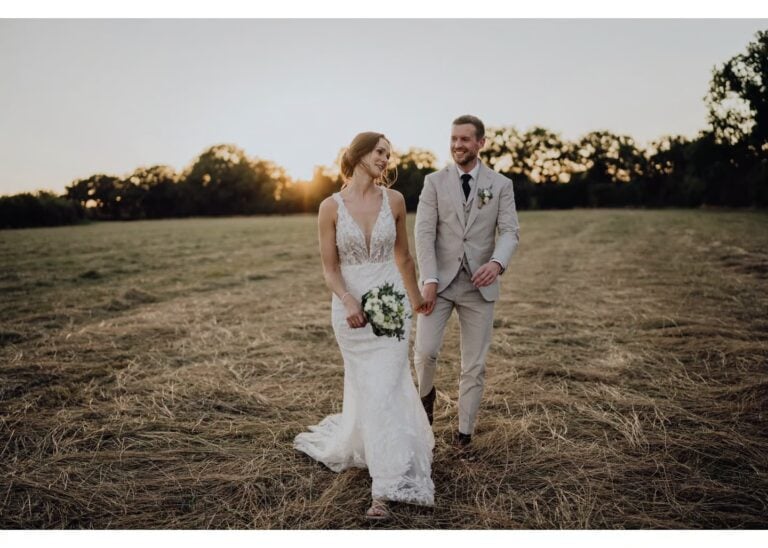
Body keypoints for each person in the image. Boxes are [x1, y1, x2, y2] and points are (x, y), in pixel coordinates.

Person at [294, 132, 435, 520]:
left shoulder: (396, 200)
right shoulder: (329, 207)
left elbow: (404, 258)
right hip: (350, 310)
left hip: (392, 306)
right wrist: (347, 299)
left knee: (387, 385)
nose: (385, 159)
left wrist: (416, 299)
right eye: (379, 151)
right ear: (358, 155)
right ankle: (373, 447)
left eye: (388, 154)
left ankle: (384, 489)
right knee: (369, 387)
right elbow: (330, 269)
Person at [414, 114, 520, 448]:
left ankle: (464, 436)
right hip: (439, 285)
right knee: (425, 352)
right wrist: (429, 278)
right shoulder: (434, 182)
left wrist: (497, 263)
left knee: (474, 365)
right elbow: (423, 232)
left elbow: (510, 231)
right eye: (453, 138)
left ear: (480, 143)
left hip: (479, 287)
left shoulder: (500, 185)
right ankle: (425, 399)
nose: (457, 145)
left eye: (464, 139)